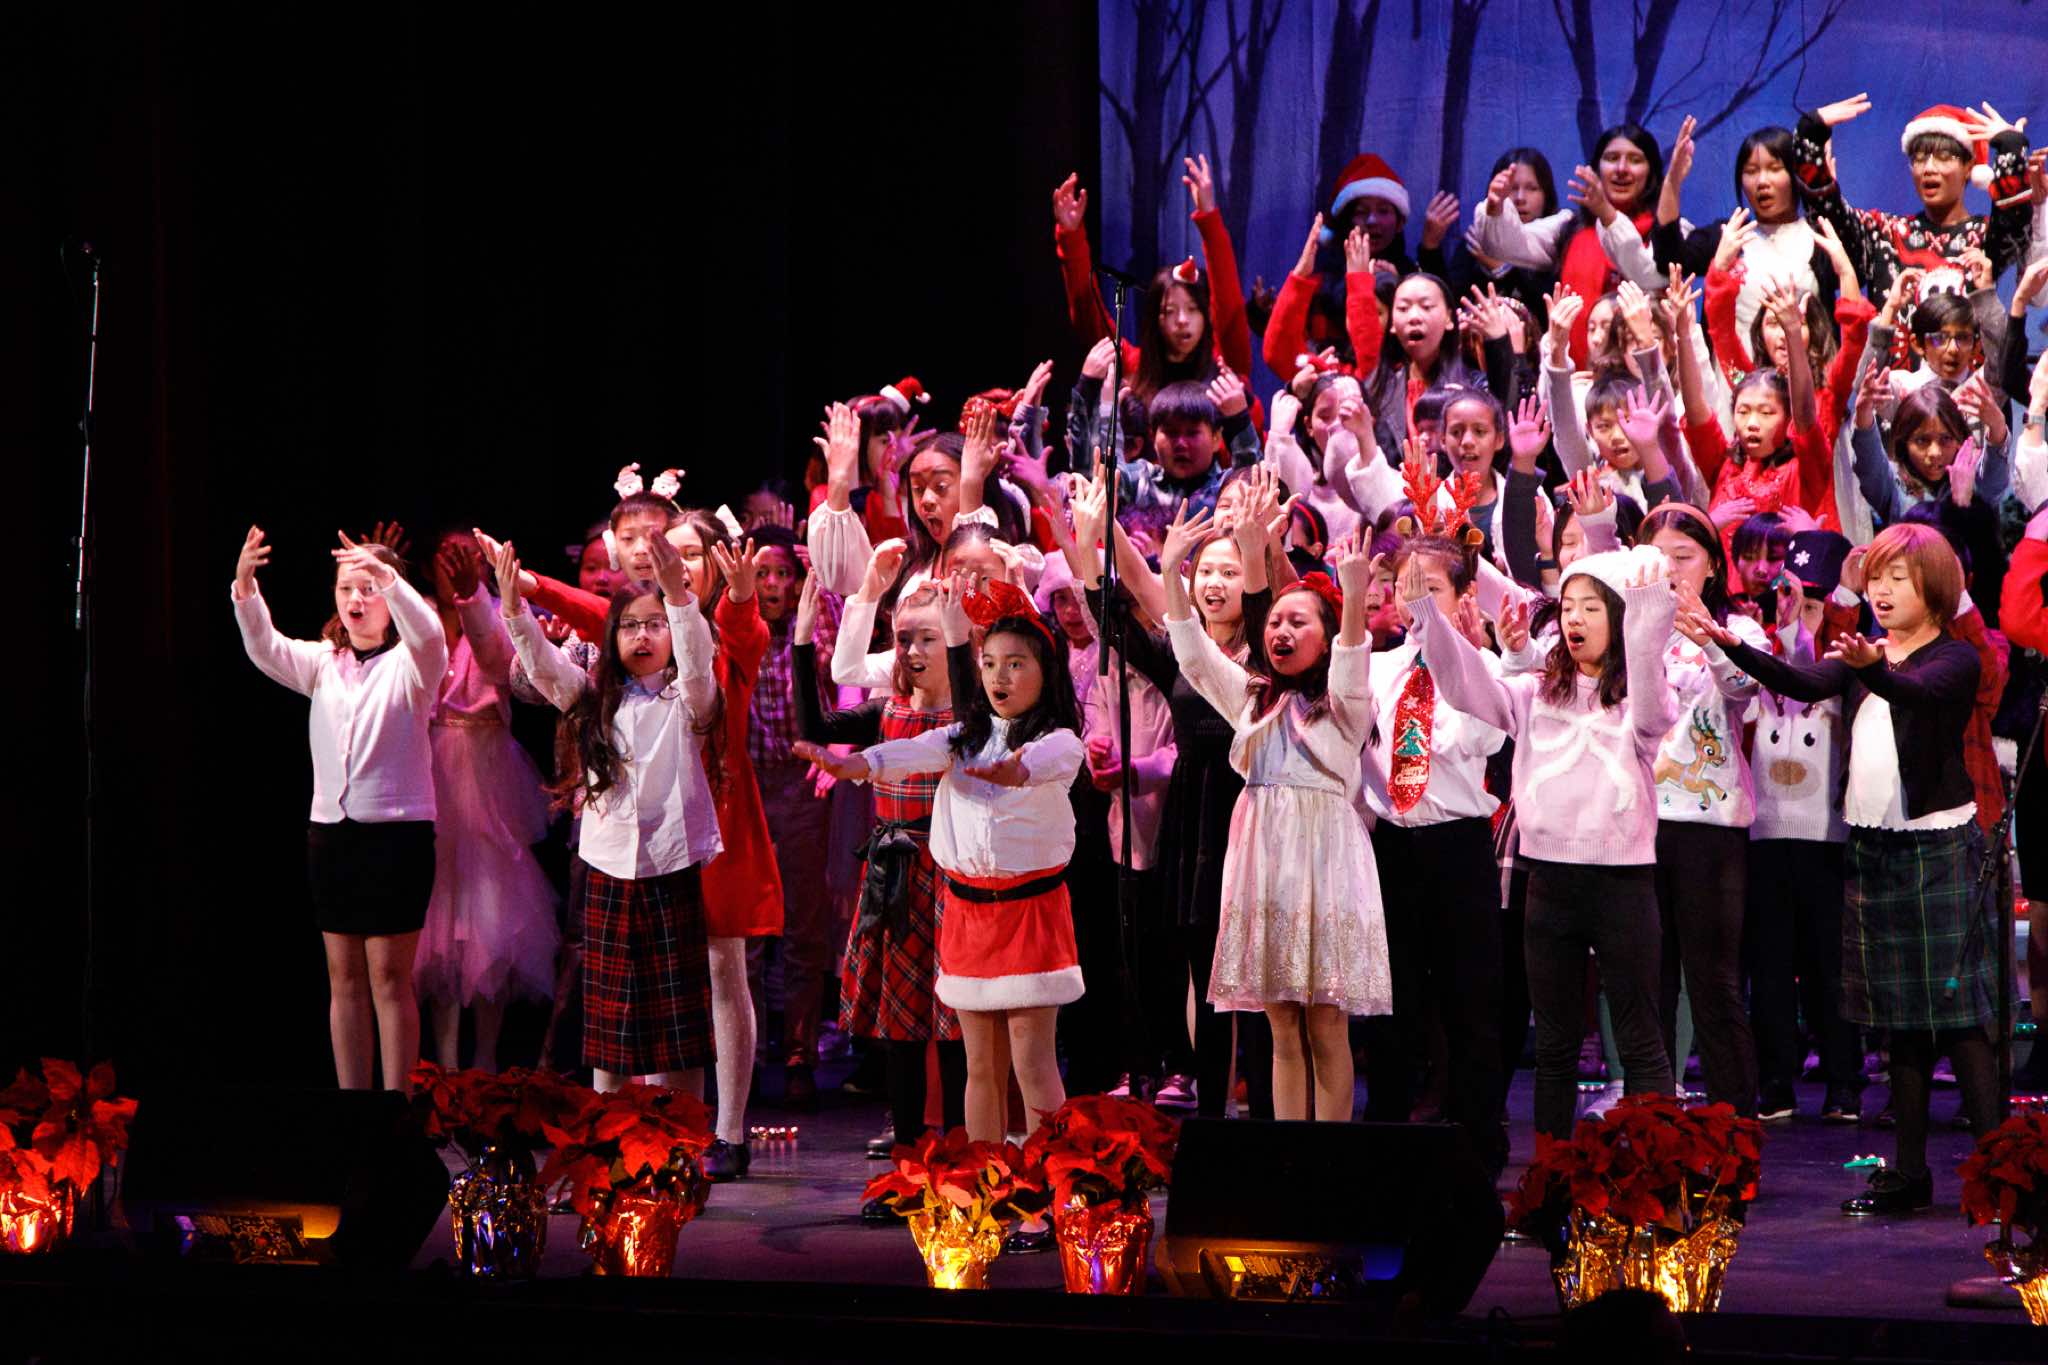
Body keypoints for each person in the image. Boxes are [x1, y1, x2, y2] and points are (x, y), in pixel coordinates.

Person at [1682, 524, 1999, 1215]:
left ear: (1934, 588)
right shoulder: (1869, 654)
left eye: (1897, 579)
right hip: (1874, 849)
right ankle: (1909, 1172)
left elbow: (1917, 694)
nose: (1880, 592)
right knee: (1899, 1024)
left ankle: (2005, 1174)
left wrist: (1870, 667)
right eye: (1875, 578)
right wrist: (1725, 642)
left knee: (1960, 1021)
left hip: (1937, 848)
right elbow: (1799, 680)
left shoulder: (1954, 657)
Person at [800, 577, 1087, 1161]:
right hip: (967, 915)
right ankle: (984, 1182)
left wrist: (1014, 771)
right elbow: (909, 753)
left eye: (1016, 664)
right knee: (980, 1066)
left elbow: (1044, 761)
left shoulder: (1059, 740)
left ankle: (1050, 1180)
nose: (1000, 677)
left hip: (1029, 915)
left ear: (1046, 673)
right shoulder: (963, 736)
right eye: (990, 664)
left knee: (1032, 1061)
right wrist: (855, 764)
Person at [1408, 543, 1681, 1138]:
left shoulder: (1640, 697)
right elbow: (1466, 686)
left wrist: (1647, 620)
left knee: (1640, 1037)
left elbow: (1655, 715)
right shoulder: (1535, 691)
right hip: (1549, 883)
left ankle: (1660, 1174)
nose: (1575, 618)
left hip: (1623, 885)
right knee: (1555, 1046)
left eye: (1592, 608)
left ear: (1619, 617)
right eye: (1569, 607)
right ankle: (1553, 1175)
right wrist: (1426, 617)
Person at [1162, 503, 1391, 1122]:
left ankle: (1331, 1158)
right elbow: (1193, 658)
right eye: (1275, 622)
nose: (1280, 631)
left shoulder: (1344, 706)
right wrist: (1171, 574)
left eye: (1298, 622)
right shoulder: (1252, 698)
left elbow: (1351, 660)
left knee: (1325, 1023)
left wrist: (1352, 597)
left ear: (1325, 636)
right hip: (1266, 865)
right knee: (1282, 1024)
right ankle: (1291, 1152)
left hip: (1324, 865)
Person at [495, 532, 719, 1097]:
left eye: (655, 624)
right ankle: (608, 1137)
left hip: (671, 869)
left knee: (678, 1029)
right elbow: (544, 668)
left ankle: (682, 1140)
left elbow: (697, 661)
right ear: (611, 637)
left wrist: (679, 598)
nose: (642, 636)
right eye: (629, 626)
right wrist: (514, 609)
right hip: (608, 871)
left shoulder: (688, 697)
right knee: (611, 1027)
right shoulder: (592, 699)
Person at [232, 527, 446, 1092]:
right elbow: (265, 647)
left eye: (369, 589)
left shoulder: (412, 664)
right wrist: (246, 587)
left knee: (389, 979)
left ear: (391, 596)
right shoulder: (324, 662)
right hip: (332, 838)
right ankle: (354, 1113)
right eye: (347, 588)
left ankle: (398, 1111)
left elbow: (430, 634)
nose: (356, 600)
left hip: (397, 839)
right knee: (344, 979)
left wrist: (389, 578)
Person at [792, 565, 972, 1221]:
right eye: (904, 640)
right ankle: (907, 1165)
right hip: (894, 874)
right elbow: (815, 722)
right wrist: (803, 639)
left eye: (928, 638)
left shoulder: (973, 714)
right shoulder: (886, 710)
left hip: (951, 874)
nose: (913, 651)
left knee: (955, 1028)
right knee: (901, 1030)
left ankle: (959, 1163)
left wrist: (961, 636)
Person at [1358, 518, 1508, 1171]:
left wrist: (1459, 655)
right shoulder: (1378, 667)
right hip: (1393, 846)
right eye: (1404, 588)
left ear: (1465, 596)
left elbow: (1481, 740)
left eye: (1431, 590)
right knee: (1392, 1004)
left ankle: (1477, 1144)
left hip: (1457, 848)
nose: (1414, 601)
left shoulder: (1484, 669)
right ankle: (1386, 1141)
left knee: (1470, 1002)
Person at [416, 531, 559, 1073]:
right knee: (438, 913)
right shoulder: (419, 615)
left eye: (472, 557)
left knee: (491, 912)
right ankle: (446, 1065)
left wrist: (472, 596)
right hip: (431, 763)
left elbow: (497, 661)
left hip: (487, 763)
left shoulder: (500, 612)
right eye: (449, 556)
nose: (460, 564)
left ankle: (485, 1061)